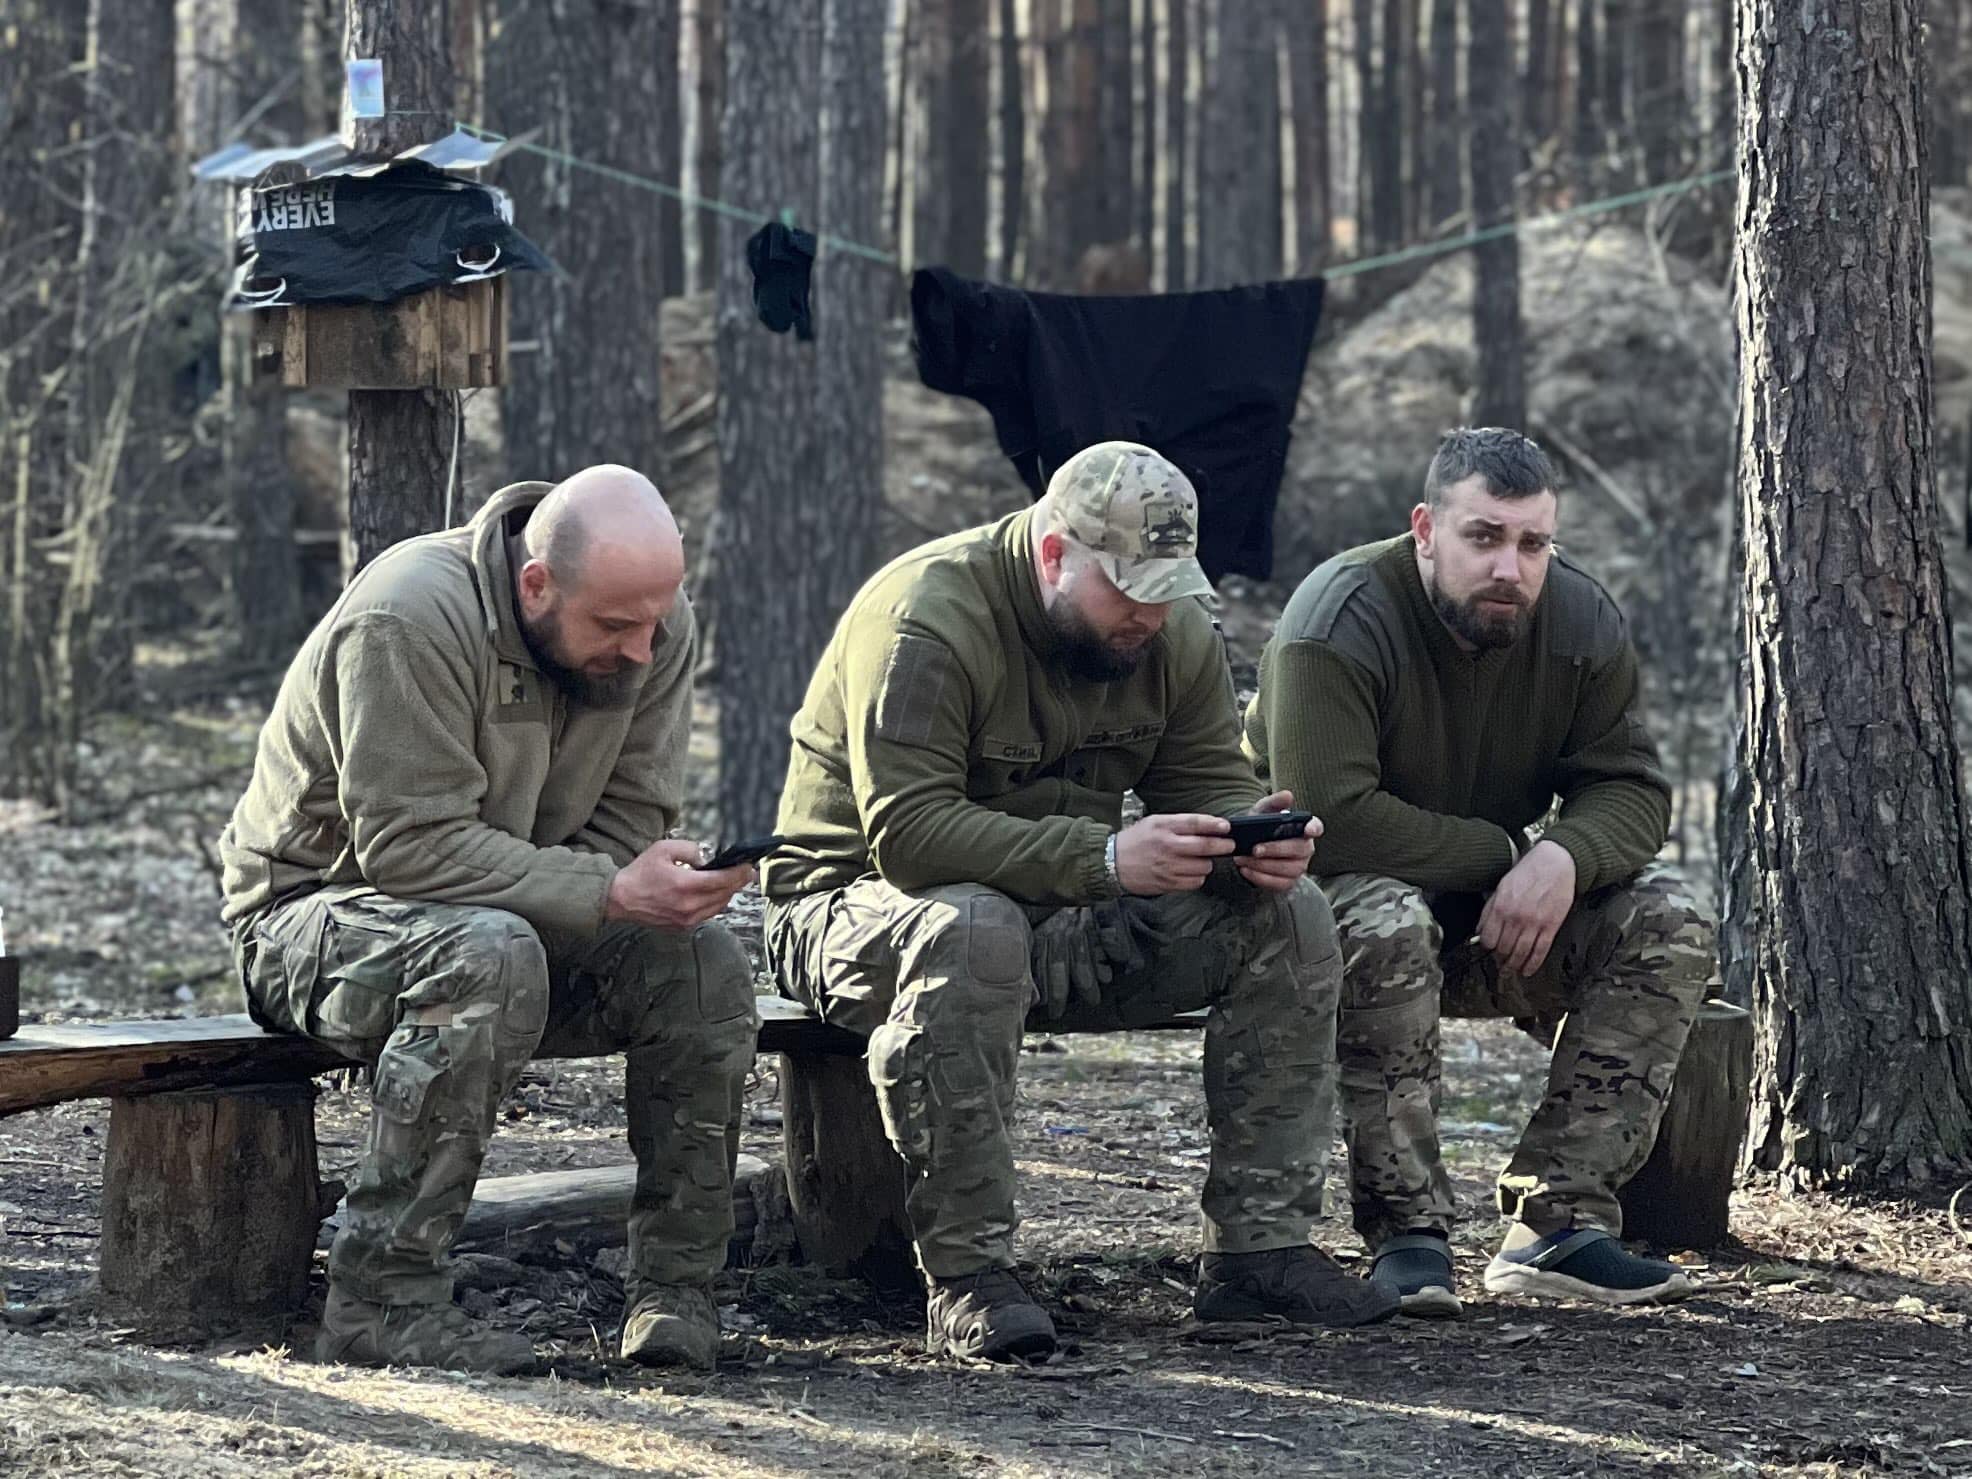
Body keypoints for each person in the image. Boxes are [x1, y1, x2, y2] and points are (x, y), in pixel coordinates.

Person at [762, 440, 1398, 1363]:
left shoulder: (1169, 629)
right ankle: (969, 1274)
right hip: (854, 910)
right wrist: (1103, 855)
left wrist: (1245, 843)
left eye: (1166, 587)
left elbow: (1208, 783)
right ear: (1054, 556)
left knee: (1288, 918)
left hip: (1057, 918)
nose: (1148, 612)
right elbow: (909, 837)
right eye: (1127, 588)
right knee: (970, 928)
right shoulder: (927, 618)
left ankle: (1260, 1254)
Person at [219, 466, 758, 1375]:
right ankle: (380, 1303)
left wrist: (652, 887)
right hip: (315, 920)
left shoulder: (649, 629)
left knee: (700, 959)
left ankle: (675, 1291)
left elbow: (629, 823)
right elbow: (408, 850)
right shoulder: (408, 615)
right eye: (616, 626)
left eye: (655, 621)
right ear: (536, 585)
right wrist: (607, 890)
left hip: (502, 920)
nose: (641, 649)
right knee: (489, 952)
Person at [1243, 426, 1715, 1318]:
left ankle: (1560, 1221)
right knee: (1384, 916)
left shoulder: (1579, 623)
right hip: (1322, 920)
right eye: (1484, 537)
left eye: (1533, 543)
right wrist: (1507, 854)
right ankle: (1409, 1234)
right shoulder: (1337, 619)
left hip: (1495, 924)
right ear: (1425, 528)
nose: (1511, 567)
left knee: (1671, 918)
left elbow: (1631, 789)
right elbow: (1330, 820)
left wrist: (1564, 854)